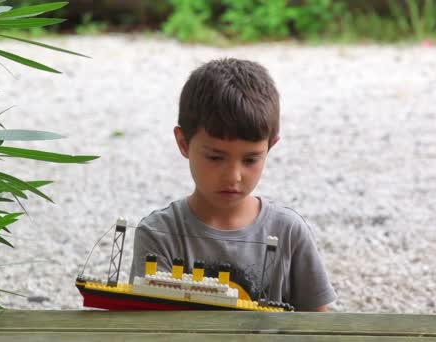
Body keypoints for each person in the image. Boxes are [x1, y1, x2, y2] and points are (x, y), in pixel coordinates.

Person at [129, 58, 336, 311]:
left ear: (270, 147)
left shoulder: (289, 232)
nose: (233, 176)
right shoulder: (158, 234)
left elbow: (318, 326)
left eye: (251, 159)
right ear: (183, 143)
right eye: (216, 157)